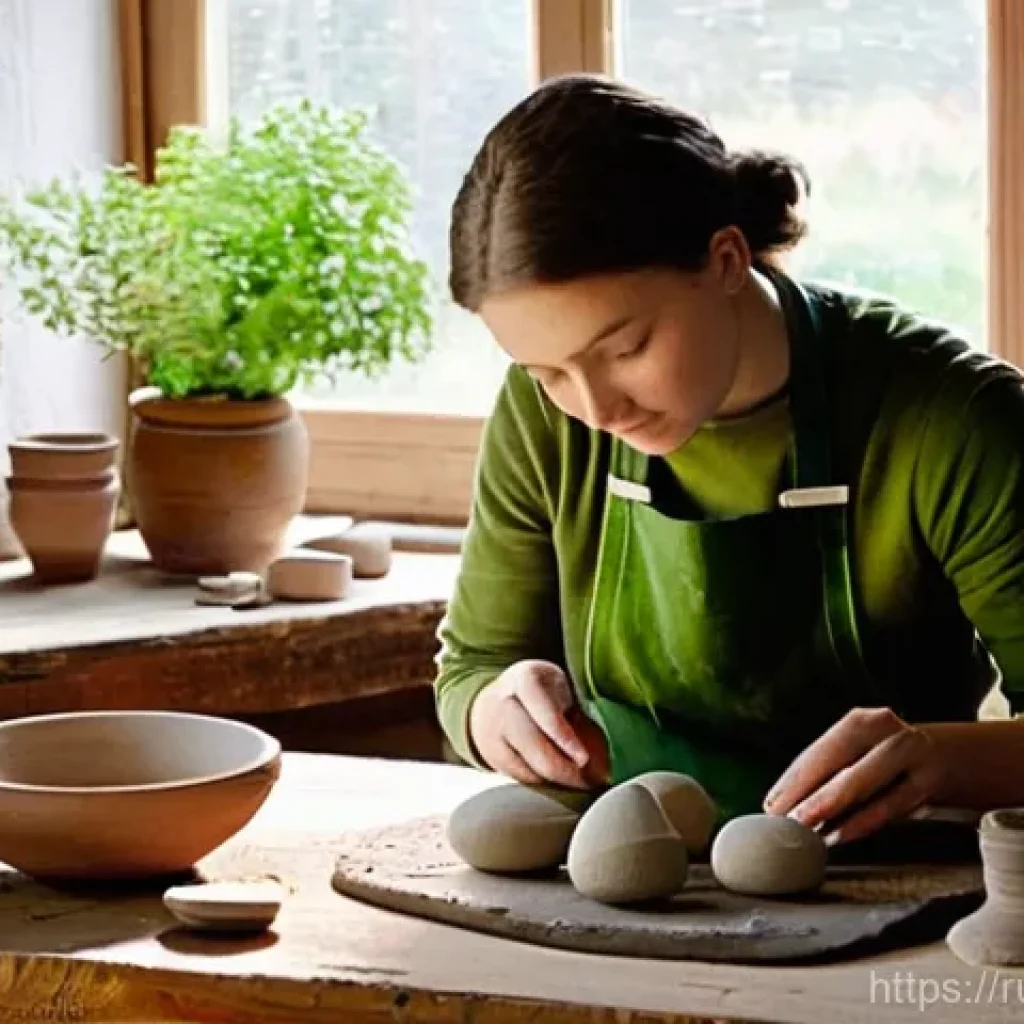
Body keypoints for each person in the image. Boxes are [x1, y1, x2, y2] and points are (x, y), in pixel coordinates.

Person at [432, 73, 1024, 848]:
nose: (598, 408)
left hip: (893, 889)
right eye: (548, 372)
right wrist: (492, 709)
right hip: (627, 890)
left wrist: (940, 760)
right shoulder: (547, 415)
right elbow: (475, 662)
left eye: (625, 347)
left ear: (724, 260)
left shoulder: (955, 418)